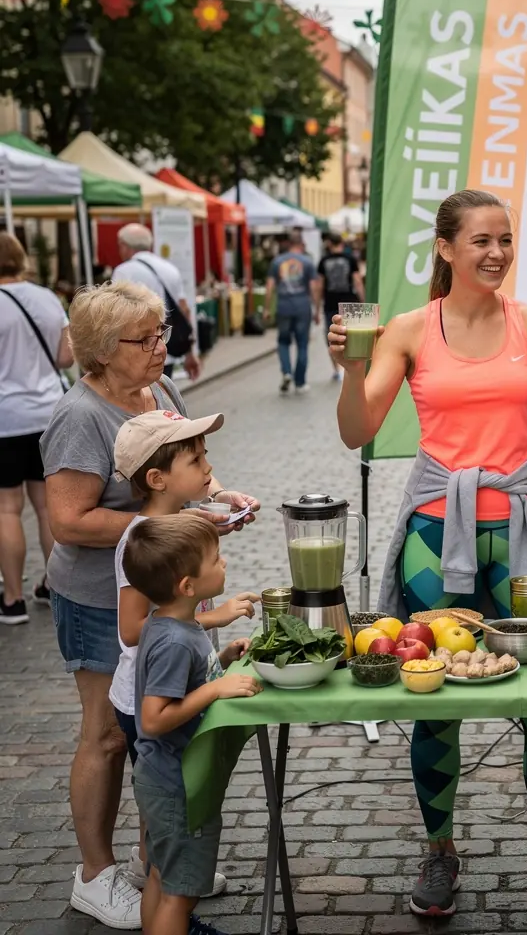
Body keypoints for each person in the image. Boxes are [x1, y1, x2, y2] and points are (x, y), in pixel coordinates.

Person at [330, 189, 527, 933]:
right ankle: (440, 851)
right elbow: (357, 430)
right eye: (480, 240)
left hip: (525, 527)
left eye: (505, 239)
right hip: (434, 526)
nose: (497, 253)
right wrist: (351, 368)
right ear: (445, 248)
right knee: (431, 692)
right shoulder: (409, 330)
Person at [40, 280, 258, 928]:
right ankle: (95, 873)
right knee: (109, 735)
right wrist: (174, 524)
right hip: (96, 597)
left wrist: (217, 496)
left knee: (153, 737)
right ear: (103, 351)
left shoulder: (157, 390)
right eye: (147, 338)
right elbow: (70, 520)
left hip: (158, 592)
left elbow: (184, 462)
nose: (164, 346)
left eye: (163, 331)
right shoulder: (79, 416)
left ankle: (157, 861)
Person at [109, 409, 260, 895]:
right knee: (166, 809)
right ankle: (168, 891)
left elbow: (173, 616)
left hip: (176, 683)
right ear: (157, 479)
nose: (208, 468)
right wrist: (213, 622)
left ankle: (165, 881)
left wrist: (219, 625)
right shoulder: (145, 540)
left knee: (168, 814)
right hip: (149, 697)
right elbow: (136, 628)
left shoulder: (176, 523)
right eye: (195, 460)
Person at [126, 514, 260, 935]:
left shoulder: (176, 625)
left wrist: (222, 662)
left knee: (161, 877)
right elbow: (153, 717)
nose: (224, 563)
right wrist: (214, 691)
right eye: (215, 559)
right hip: (173, 782)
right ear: (188, 586)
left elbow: (186, 682)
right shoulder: (173, 640)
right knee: (179, 892)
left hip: (164, 778)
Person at [0, 234, 73, 619]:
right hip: (48, 413)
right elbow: (64, 356)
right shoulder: (46, 297)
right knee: (47, 507)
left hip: (6, 418)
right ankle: (53, 586)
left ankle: (12, 600)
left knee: (7, 509)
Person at [111, 223, 201, 382]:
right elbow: (183, 310)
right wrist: (190, 353)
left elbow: (116, 315)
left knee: (140, 404)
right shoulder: (170, 268)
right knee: (163, 399)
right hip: (166, 350)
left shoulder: (123, 271)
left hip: (137, 353)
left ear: (124, 246)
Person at [265, 230, 320, 394]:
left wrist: (267, 308)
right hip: (302, 305)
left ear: (288, 244)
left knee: (283, 342)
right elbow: (314, 287)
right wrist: (316, 309)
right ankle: (300, 382)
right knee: (302, 344)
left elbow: (269, 287)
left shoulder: (277, 261)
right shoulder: (307, 262)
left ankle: (287, 372)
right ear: (301, 243)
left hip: (283, 306)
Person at [318, 234, 364, 380]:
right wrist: (363, 301)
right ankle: (353, 368)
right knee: (353, 336)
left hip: (330, 303)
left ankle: (337, 370)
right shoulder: (350, 259)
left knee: (332, 337)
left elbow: (319, 285)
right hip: (349, 303)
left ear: (330, 244)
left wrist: (317, 306)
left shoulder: (324, 261)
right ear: (342, 244)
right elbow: (357, 281)